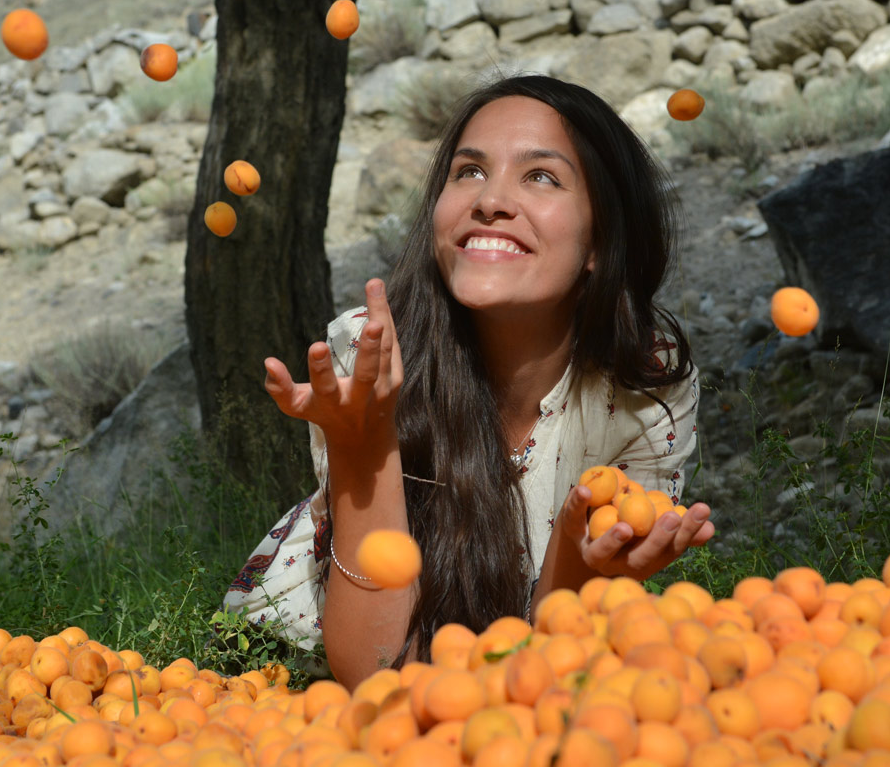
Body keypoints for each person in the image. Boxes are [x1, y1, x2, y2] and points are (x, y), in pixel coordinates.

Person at [222, 74, 715, 685]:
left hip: (502, 689)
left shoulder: (644, 383)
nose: (490, 200)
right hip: (298, 676)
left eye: (541, 176)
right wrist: (364, 441)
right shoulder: (374, 356)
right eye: (469, 171)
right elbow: (372, 676)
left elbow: (543, 665)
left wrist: (577, 553)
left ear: (601, 240)